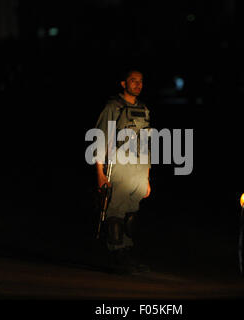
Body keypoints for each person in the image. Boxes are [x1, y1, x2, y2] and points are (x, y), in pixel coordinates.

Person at [95, 69, 151, 274]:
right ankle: (117, 253)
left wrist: (147, 177)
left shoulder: (144, 109)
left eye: (140, 81)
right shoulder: (114, 107)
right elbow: (101, 139)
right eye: (133, 81)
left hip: (139, 167)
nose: (138, 84)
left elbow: (146, 144)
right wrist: (100, 173)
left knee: (131, 213)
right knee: (116, 212)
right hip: (119, 164)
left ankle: (127, 251)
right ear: (123, 83)